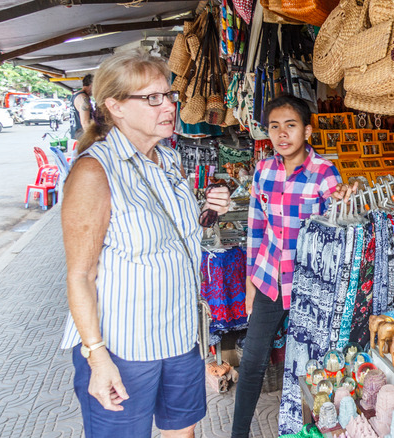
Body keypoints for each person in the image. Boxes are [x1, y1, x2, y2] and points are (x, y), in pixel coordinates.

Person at [59, 50, 230, 438]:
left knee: (181, 433)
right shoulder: (94, 171)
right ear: (115, 106)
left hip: (179, 335)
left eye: (169, 96)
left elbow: (173, 240)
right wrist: (97, 355)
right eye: (152, 98)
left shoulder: (167, 161)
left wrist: (207, 211)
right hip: (123, 347)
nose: (168, 106)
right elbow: (80, 274)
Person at [231, 95, 357, 438]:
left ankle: (312, 429)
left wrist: (346, 200)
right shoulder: (263, 170)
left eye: (290, 126)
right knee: (252, 362)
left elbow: (338, 222)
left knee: (310, 366)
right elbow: (256, 229)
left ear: (307, 130)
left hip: (309, 288)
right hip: (270, 280)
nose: (282, 134)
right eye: (274, 127)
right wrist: (249, 287)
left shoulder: (325, 173)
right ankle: (238, 434)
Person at [70, 73, 93, 139]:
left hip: (78, 135)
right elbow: (85, 123)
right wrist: (92, 139)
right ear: (91, 85)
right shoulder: (83, 99)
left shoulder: (75, 95)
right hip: (84, 137)